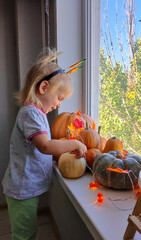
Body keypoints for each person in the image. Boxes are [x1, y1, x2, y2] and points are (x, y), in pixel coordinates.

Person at [2, 48, 87, 240]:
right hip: (22, 189)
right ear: (43, 88)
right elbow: (45, 146)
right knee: (24, 234)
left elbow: (40, 148)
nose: (59, 105)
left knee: (28, 230)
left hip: (25, 188)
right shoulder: (30, 114)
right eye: (59, 98)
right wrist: (73, 143)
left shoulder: (35, 114)